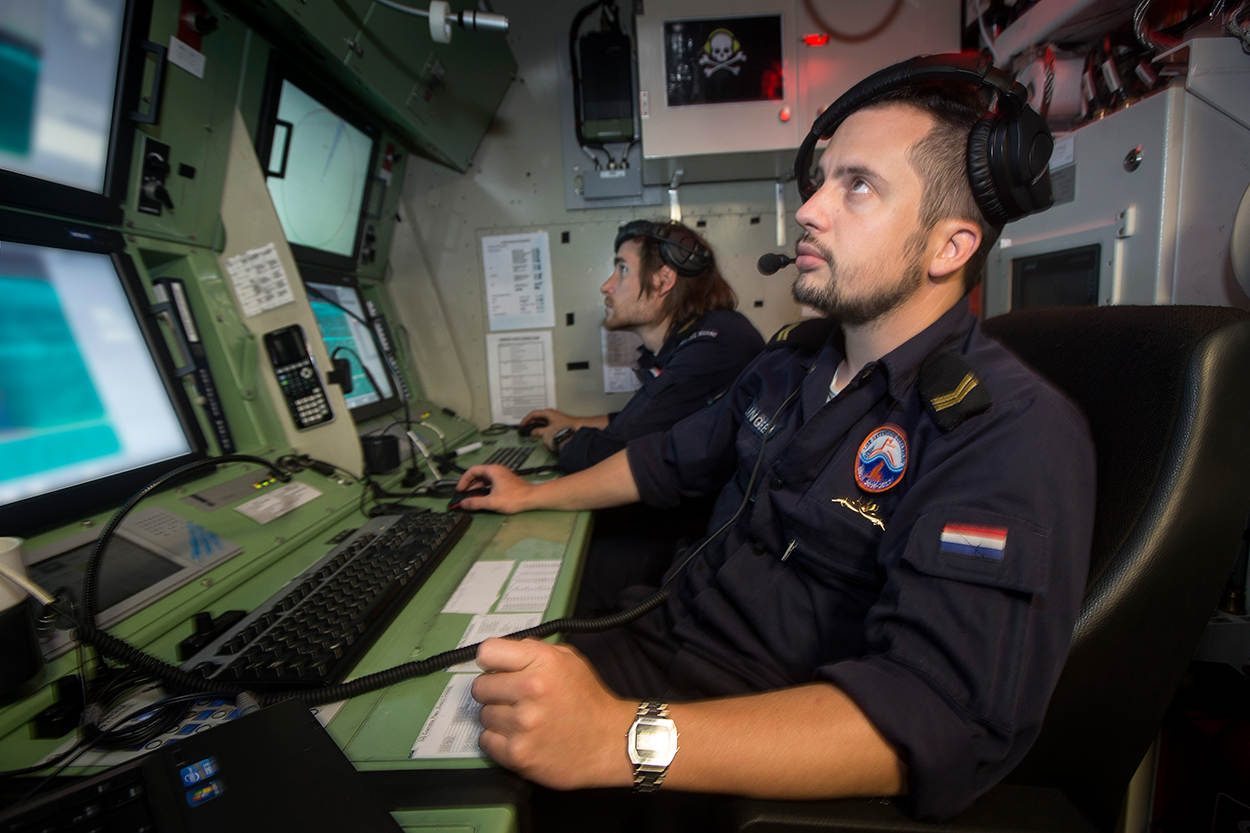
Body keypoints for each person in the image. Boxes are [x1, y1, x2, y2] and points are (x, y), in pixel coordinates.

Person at [456, 63, 1095, 821]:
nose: (810, 209)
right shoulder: (789, 366)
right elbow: (666, 460)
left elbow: (931, 715)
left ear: (949, 247)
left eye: (858, 186)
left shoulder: (1007, 431)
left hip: (730, 739)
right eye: (821, 181)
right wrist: (530, 494)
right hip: (652, 639)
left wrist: (617, 738)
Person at [519, 220, 763, 473]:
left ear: (663, 281)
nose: (606, 286)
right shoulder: (694, 340)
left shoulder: (712, 348)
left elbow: (610, 454)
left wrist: (561, 437)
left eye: (622, 269)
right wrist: (576, 422)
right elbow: (644, 421)